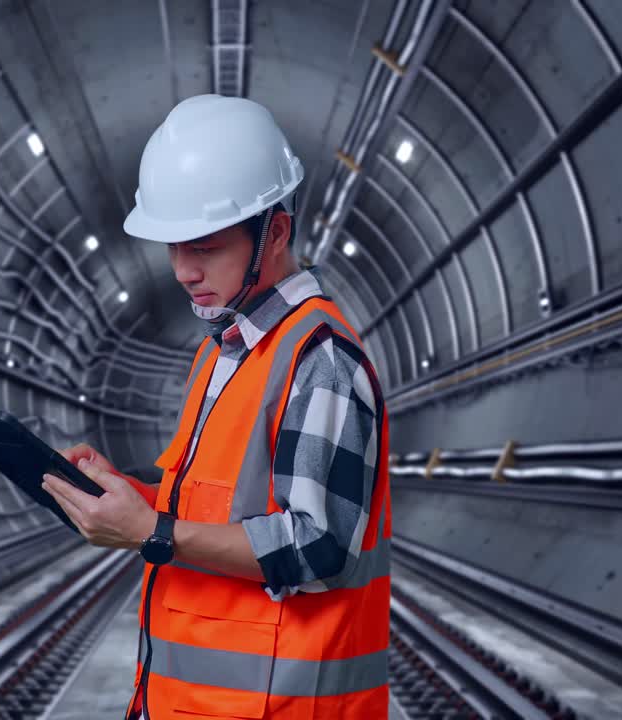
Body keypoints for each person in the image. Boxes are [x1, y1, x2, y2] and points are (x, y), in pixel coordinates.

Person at [41, 94, 391, 720]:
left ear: (275, 232)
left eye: (204, 247)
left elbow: (320, 550)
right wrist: (124, 495)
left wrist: (152, 533)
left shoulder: (321, 362)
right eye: (173, 248)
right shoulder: (224, 351)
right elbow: (211, 508)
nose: (181, 271)